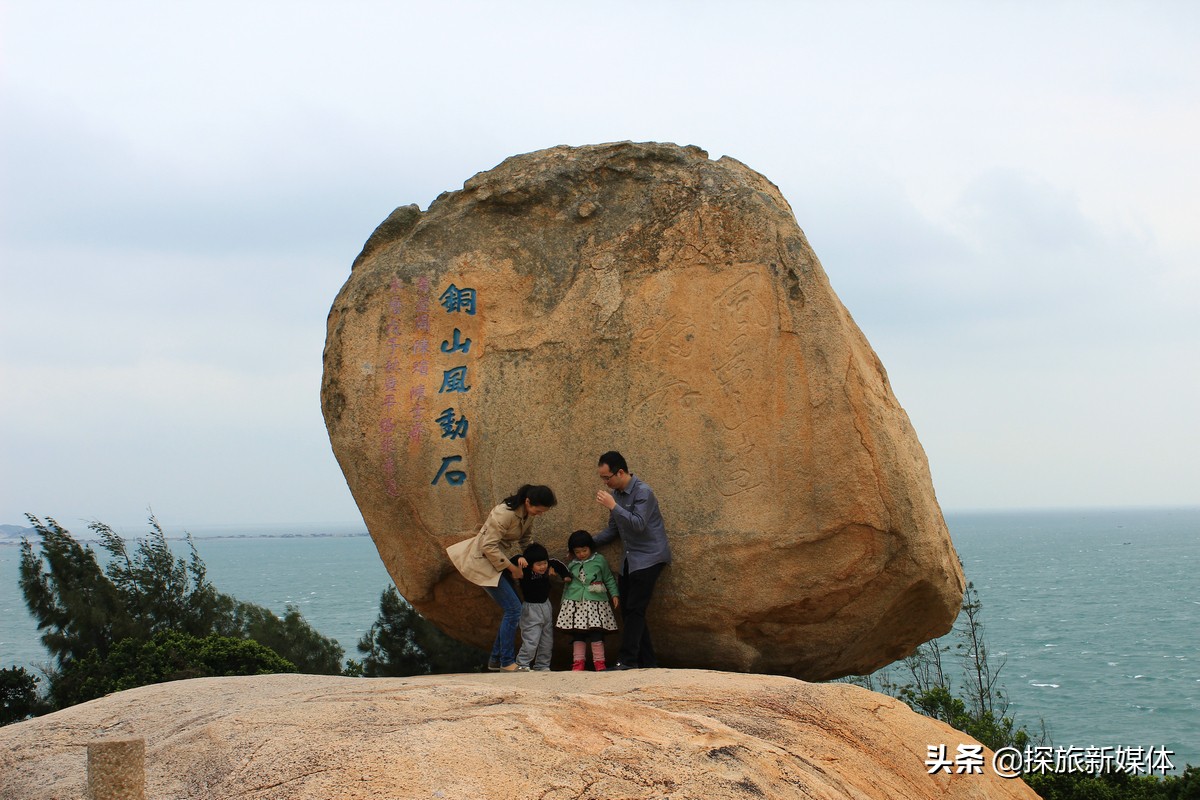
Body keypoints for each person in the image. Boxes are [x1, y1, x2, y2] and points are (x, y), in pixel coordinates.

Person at [446, 484, 557, 671]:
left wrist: (535, 560)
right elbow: (487, 546)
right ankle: (506, 662)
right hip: (482, 562)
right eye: (538, 510)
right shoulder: (504, 513)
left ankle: (496, 659)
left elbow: (525, 540)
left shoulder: (527, 514)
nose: (539, 514)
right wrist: (513, 568)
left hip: (497, 562)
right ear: (528, 501)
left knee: (513, 608)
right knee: (514, 609)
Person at [592, 451, 671, 670]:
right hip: (630, 559)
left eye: (607, 478)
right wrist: (588, 543)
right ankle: (649, 662)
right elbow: (613, 530)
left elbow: (638, 524)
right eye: (603, 479)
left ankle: (627, 660)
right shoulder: (616, 495)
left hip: (650, 557)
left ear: (620, 472)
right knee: (628, 610)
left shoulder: (643, 492)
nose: (606, 483)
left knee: (635, 608)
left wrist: (612, 506)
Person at [555, 530, 620, 671]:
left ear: (590, 547)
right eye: (577, 552)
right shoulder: (572, 564)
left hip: (596, 604)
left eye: (584, 550)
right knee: (578, 634)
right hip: (575, 604)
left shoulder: (599, 560)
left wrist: (614, 594)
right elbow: (568, 584)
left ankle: (599, 663)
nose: (581, 554)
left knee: (596, 633)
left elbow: (608, 578)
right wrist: (563, 602)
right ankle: (578, 663)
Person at [509, 542, 568, 672]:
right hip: (531, 608)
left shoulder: (548, 566)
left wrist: (566, 576)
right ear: (530, 564)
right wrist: (519, 557)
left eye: (544, 563)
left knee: (547, 641)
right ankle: (522, 664)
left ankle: (542, 665)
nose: (543, 567)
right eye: (539, 564)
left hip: (546, 606)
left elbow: (558, 564)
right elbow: (510, 561)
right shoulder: (525, 571)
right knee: (531, 639)